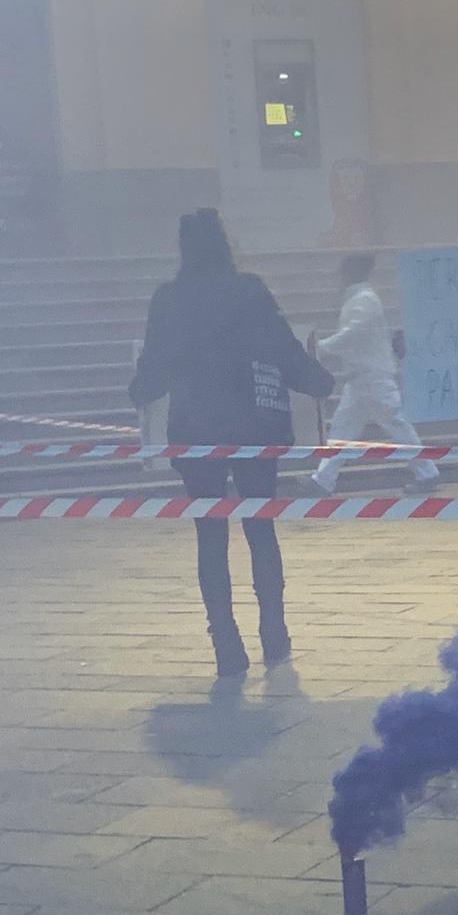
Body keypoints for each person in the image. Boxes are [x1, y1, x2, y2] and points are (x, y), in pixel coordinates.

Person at [129, 209, 333, 677]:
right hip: (253, 426)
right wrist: (318, 381)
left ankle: (225, 641)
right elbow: (284, 349)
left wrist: (139, 392)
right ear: (224, 242)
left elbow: (155, 362)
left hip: (196, 429)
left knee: (210, 536)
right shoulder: (248, 290)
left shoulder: (169, 298)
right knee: (261, 529)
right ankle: (275, 633)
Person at [309, 253, 439, 496]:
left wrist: (321, 347)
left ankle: (427, 471)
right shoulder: (360, 299)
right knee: (343, 429)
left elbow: (353, 332)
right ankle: (323, 480)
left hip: (372, 377)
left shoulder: (364, 299)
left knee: (395, 425)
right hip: (361, 378)